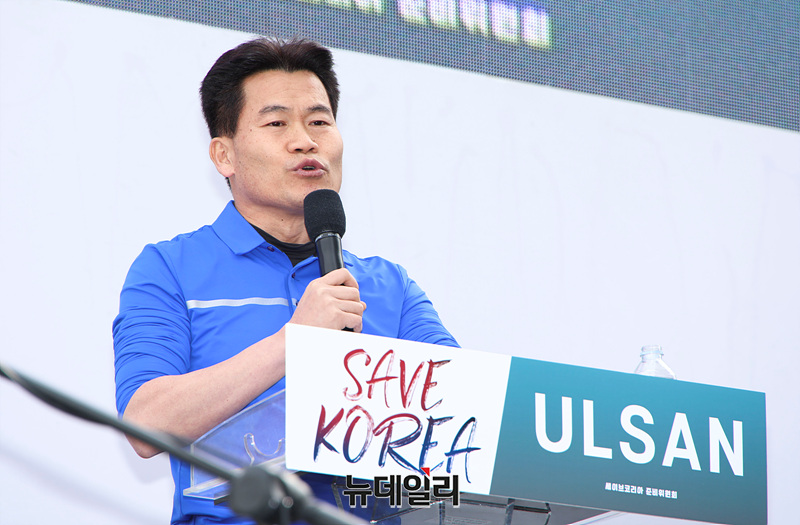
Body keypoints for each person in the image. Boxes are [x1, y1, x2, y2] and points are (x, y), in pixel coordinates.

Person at [113, 37, 458, 524]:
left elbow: (465, 423)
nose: (305, 141)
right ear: (224, 156)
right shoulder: (171, 268)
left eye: (319, 122)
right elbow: (145, 424)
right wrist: (293, 340)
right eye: (277, 123)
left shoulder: (391, 286)